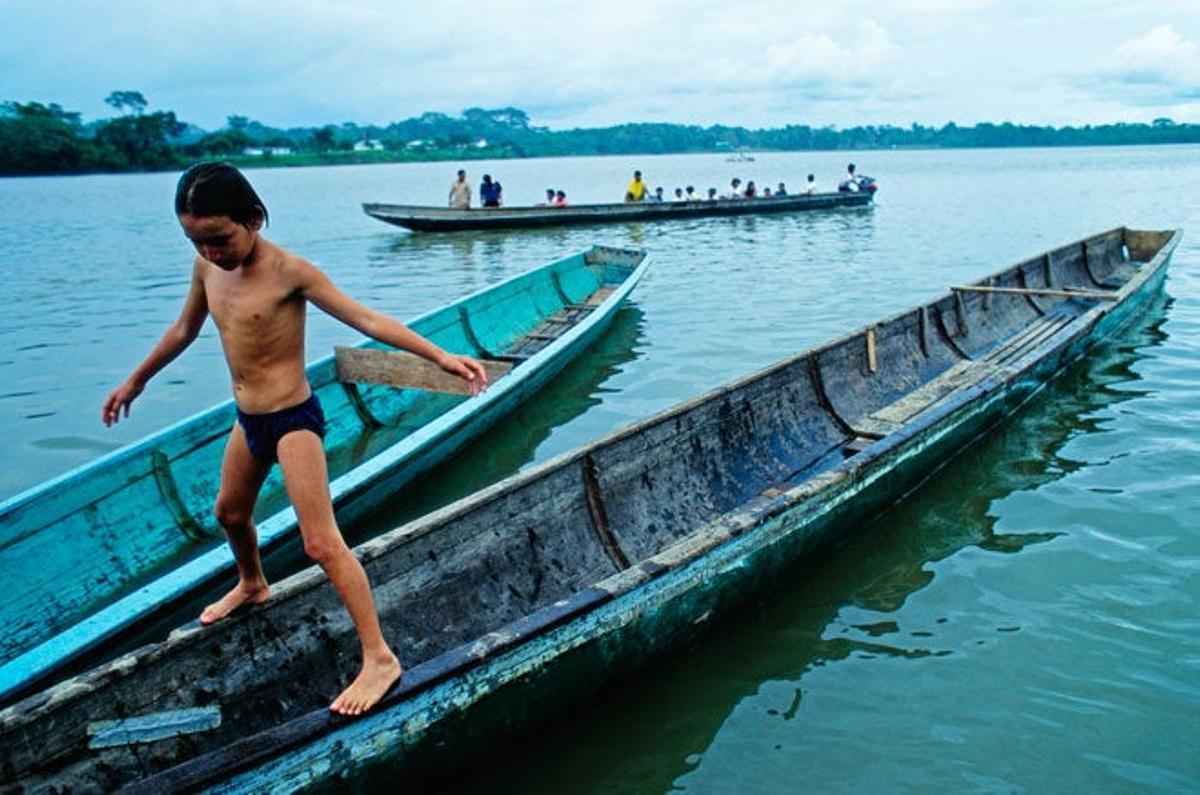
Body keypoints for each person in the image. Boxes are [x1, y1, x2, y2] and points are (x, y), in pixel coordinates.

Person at [101, 162, 488, 717]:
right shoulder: (206, 270)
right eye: (196, 241)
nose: (210, 252)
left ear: (253, 218)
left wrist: (440, 357)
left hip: (292, 421)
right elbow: (185, 329)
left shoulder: (291, 272)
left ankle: (379, 657)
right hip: (248, 419)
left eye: (219, 239)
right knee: (231, 515)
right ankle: (254, 583)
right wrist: (136, 379)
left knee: (320, 543)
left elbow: (367, 321)